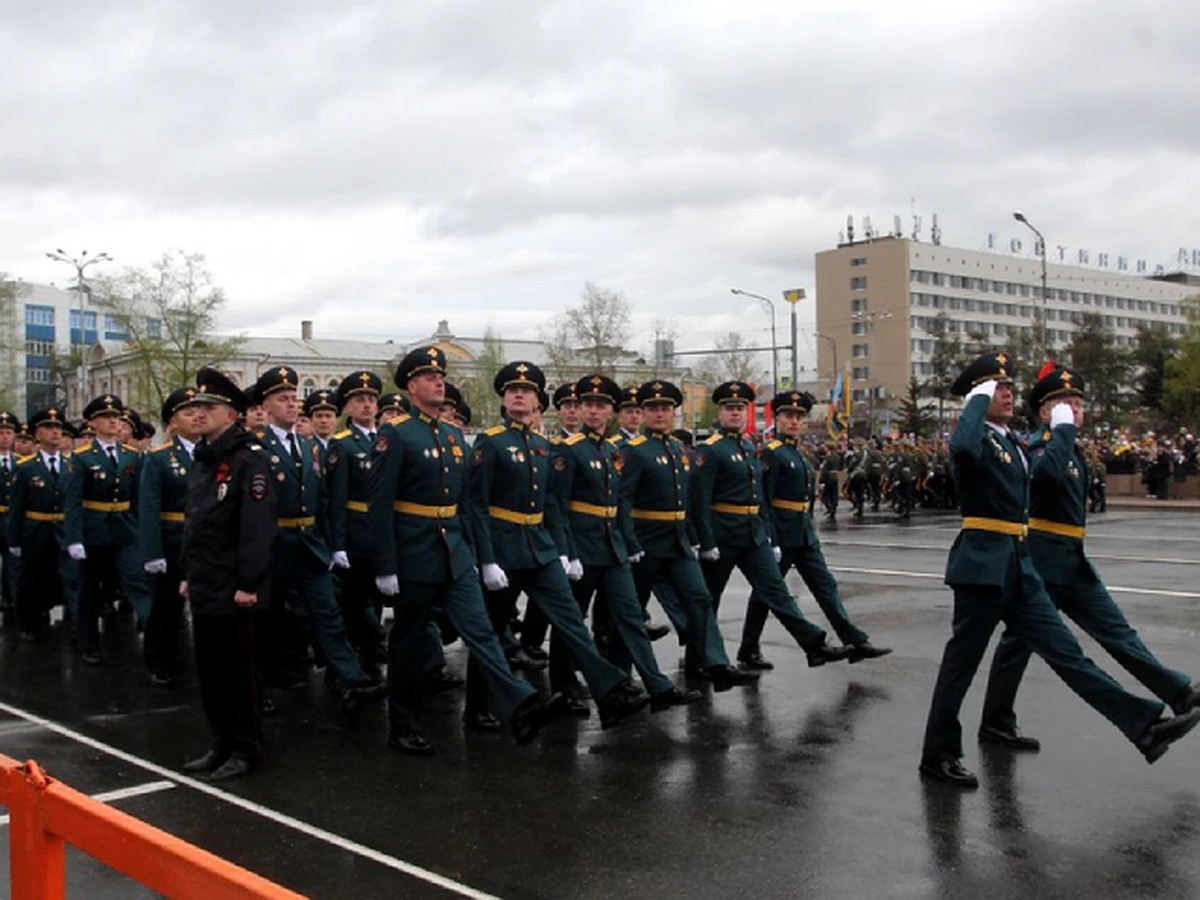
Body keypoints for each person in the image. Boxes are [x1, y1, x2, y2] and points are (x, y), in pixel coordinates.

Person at [919, 352, 1200, 790]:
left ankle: (1144, 727)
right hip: (982, 568)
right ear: (978, 396)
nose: (1009, 393)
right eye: (998, 387)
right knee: (960, 667)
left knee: (1070, 656)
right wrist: (976, 403)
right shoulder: (975, 437)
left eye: (1011, 386)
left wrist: (1058, 428)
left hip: (1021, 566)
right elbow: (962, 448)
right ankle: (937, 754)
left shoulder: (1010, 440)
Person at [977, 364, 1199, 749]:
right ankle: (996, 722)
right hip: (1043, 562)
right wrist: (1061, 430)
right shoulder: (1043, 443)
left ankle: (1179, 693)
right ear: (1046, 411)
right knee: (1025, 647)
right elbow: (1046, 477)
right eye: (1066, 403)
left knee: (1117, 632)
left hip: (1072, 561)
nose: (1076, 409)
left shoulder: (1071, 445)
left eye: (1079, 403)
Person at [369, 347, 568, 754]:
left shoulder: (453, 435)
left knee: (482, 632)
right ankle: (402, 725)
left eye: (440, 376)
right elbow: (380, 503)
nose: (438, 382)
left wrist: (482, 556)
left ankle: (521, 706)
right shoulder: (397, 433)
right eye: (428, 377)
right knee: (408, 643)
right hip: (414, 552)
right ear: (411, 386)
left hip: (455, 551)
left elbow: (466, 504)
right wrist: (385, 564)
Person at [463, 360, 651, 727]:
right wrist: (485, 559)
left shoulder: (542, 446)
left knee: (570, 620)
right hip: (504, 551)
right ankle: (476, 708)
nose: (520, 395)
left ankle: (609, 692)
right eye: (513, 390)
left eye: (528, 390)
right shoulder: (491, 441)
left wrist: (563, 550)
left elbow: (551, 503)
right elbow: (475, 505)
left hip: (541, 547)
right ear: (503, 398)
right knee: (493, 629)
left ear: (538, 402)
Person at [547, 373, 701, 714]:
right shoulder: (567, 450)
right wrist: (565, 551)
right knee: (572, 620)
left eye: (601, 405)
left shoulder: (614, 451)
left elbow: (619, 502)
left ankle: (656, 686)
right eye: (588, 404)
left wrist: (627, 543)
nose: (593, 411)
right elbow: (556, 505)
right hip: (582, 548)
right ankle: (564, 687)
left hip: (612, 546)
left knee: (630, 616)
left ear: (612, 412)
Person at [691, 382, 853, 670]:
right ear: (720, 412)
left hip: (753, 534)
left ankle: (814, 645)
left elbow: (759, 497)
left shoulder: (748, 447)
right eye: (730, 409)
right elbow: (700, 500)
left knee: (776, 592)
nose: (736, 414)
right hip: (724, 534)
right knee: (708, 600)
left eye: (741, 409)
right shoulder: (711, 449)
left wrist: (768, 535)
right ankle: (701, 659)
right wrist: (705, 541)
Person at [254, 365, 386, 710]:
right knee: (268, 621)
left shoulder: (311, 447)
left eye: (294, 399)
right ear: (266, 406)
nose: (291, 405)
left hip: (309, 542)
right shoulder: (255, 448)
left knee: (328, 614)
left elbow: (325, 499)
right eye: (282, 399)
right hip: (272, 544)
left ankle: (352, 680)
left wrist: (333, 544)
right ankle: (259, 689)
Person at [618, 379, 758, 691]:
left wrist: (698, 539)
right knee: (630, 611)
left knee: (700, 599)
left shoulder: (680, 450)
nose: (660, 414)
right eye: (652, 408)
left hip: (677, 541)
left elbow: (690, 501)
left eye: (665, 408)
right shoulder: (633, 452)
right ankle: (620, 676)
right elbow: (622, 500)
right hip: (645, 542)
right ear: (642, 413)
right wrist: (627, 541)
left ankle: (717, 663)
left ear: (673, 413)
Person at [737, 391, 891, 670]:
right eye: (788, 416)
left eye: (799, 416)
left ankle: (855, 641)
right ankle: (749, 649)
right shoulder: (771, 454)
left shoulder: (798, 452)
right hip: (782, 534)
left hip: (803, 533)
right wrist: (769, 538)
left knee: (826, 587)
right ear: (778, 419)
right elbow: (764, 500)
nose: (795, 421)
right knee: (766, 594)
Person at [179, 367, 276, 780]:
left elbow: (257, 529)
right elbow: (196, 523)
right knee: (211, 673)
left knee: (240, 676)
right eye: (197, 406)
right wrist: (188, 573)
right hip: (205, 582)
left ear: (232, 414)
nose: (200, 413)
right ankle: (219, 743)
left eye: (210, 407)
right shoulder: (205, 460)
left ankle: (246, 747)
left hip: (236, 588)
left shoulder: (248, 461)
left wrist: (248, 584)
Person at [62, 394, 147, 664]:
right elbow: (73, 503)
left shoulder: (131, 456)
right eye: (106, 418)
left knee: (136, 579)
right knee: (90, 589)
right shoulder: (82, 457)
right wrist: (74, 539)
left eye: (116, 418)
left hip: (124, 529)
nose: (113, 422)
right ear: (92, 423)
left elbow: (137, 499)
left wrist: (140, 531)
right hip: (94, 530)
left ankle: (151, 631)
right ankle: (87, 641)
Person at [325, 370, 388, 677]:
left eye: (371, 399)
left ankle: (371, 652)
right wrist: (337, 545)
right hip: (356, 532)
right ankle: (351, 663)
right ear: (348, 407)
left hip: (382, 533)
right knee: (354, 602)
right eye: (359, 399)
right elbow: (336, 499)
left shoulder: (388, 441)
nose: (367, 404)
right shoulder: (343, 445)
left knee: (376, 597)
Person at [139, 386, 202, 687]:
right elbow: (149, 508)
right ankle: (159, 660)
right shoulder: (159, 458)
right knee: (166, 606)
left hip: (205, 541)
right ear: (173, 422)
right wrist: (152, 553)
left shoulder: (212, 454)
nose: (196, 417)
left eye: (199, 411)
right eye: (188, 413)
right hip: (172, 539)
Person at [8, 407, 74, 642]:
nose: (55, 432)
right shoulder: (25, 467)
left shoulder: (70, 465)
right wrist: (14, 540)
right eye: (49, 428)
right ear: (37, 433)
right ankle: (28, 622)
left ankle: (66, 617)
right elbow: (16, 508)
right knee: (30, 577)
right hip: (35, 530)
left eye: (58, 428)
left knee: (63, 576)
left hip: (62, 530)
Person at [0, 411, 21, 614]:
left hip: (11, 519)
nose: (5, 437)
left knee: (12, 563)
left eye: (8, 432)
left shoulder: (20, 463)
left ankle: (10, 597)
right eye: (1, 432)